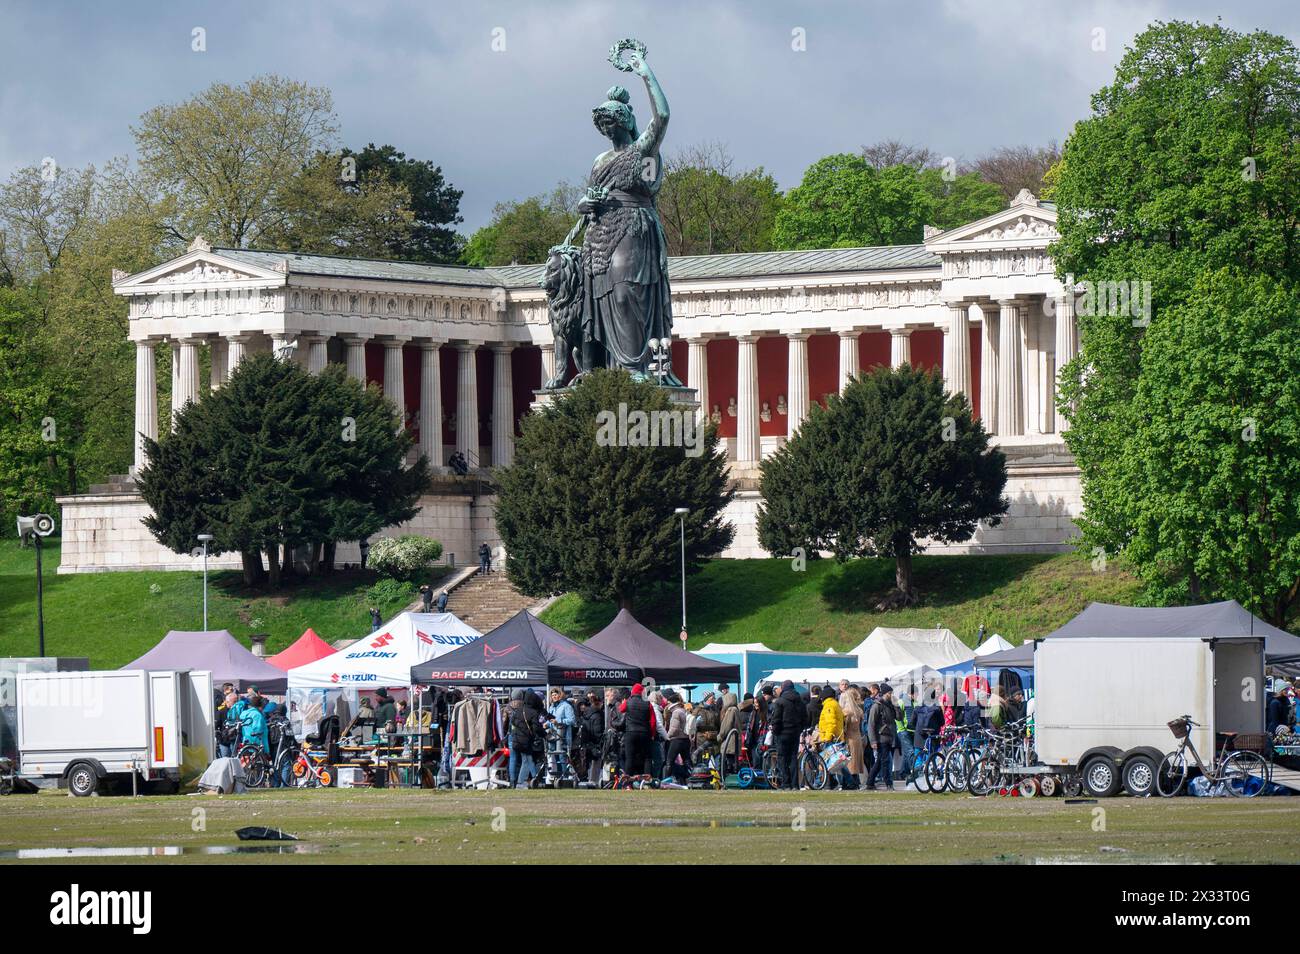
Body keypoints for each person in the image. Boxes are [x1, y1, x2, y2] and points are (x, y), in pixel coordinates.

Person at [768, 680, 806, 789]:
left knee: (782, 758)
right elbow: (805, 717)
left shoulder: (780, 701)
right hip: (795, 733)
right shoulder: (800, 700)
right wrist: (799, 729)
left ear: (783, 688)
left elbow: (776, 719)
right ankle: (795, 785)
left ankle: (786, 783)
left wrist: (775, 731)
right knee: (793, 758)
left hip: (783, 733)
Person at [865, 684, 899, 791]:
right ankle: (888, 783)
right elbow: (871, 725)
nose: (891, 695)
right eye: (889, 693)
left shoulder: (891, 705)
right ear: (884, 694)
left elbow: (899, 718)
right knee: (885, 761)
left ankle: (870, 783)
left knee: (880, 761)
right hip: (881, 738)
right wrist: (873, 740)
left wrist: (896, 706)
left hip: (890, 737)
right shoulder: (877, 706)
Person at [619, 683, 657, 776]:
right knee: (647, 757)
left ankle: (628, 782)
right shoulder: (648, 704)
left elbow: (621, 709)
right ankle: (647, 781)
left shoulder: (628, 701)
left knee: (630, 758)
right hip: (644, 733)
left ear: (633, 691)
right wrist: (652, 734)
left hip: (631, 733)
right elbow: (653, 722)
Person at [841, 685, 867, 790]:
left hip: (849, 738)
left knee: (848, 762)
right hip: (857, 737)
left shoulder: (846, 712)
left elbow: (844, 728)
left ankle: (849, 783)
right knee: (855, 762)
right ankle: (856, 781)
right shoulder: (858, 711)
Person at [547, 688, 577, 779]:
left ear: (560, 695)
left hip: (563, 737)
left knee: (562, 757)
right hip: (553, 736)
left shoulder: (566, 706)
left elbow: (572, 720)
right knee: (555, 757)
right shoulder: (551, 707)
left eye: (556, 694)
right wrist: (547, 724)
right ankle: (559, 776)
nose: (554, 697)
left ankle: (565, 778)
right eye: (552, 695)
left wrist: (558, 721)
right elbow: (551, 720)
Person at [663, 691, 692, 782]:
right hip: (686, 739)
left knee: (669, 761)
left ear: (672, 703)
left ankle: (666, 781)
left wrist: (667, 736)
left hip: (676, 740)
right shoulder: (684, 711)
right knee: (687, 760)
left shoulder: (676, 712)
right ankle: (691, 778)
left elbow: (674, 729)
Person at [718, 684, 740, 772]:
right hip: (733, 739)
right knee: (732, 761)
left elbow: (726, 726)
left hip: (729, 739)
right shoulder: (736, 709)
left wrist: (719, 736)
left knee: (728, 763)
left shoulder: (730, 710)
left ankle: (728, 779)